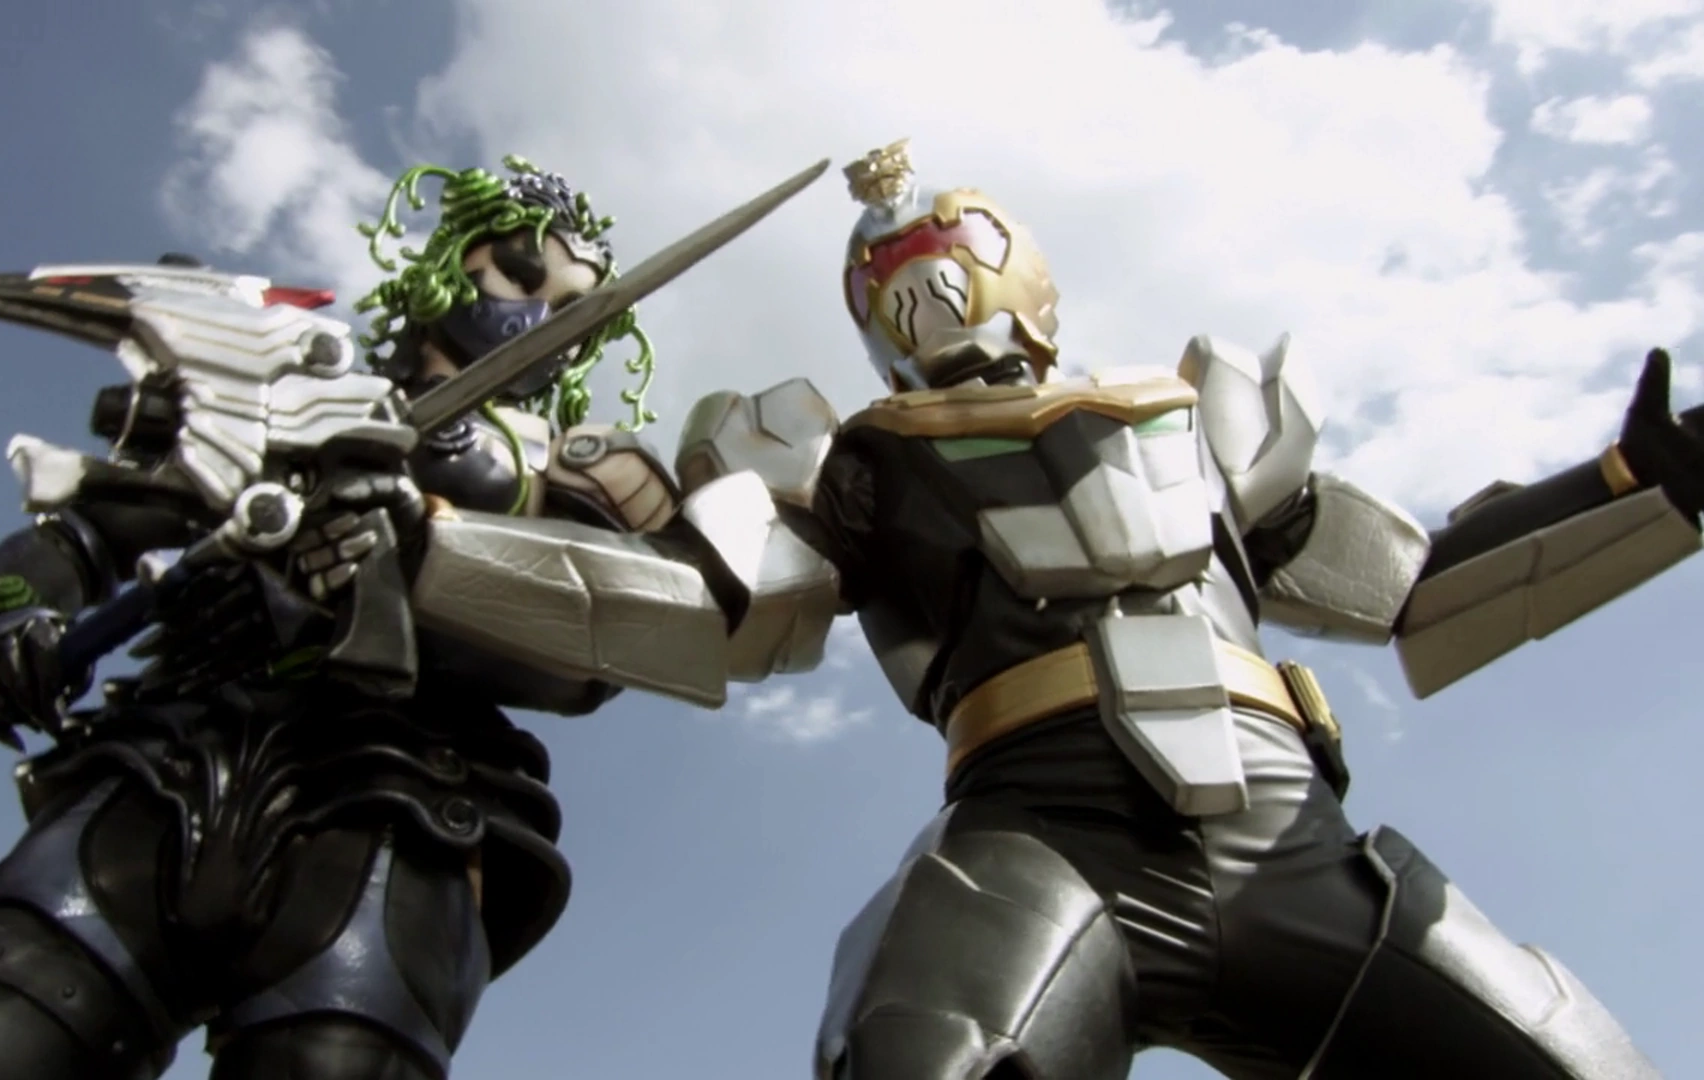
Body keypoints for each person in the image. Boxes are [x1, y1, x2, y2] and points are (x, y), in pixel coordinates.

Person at [0, 155, 835, 1080]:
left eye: (572, 305)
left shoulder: (579, 468)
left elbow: (618, 646)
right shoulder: (278, 387)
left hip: (400, 804)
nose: (542, 317)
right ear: (456, 259)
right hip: (168, 768)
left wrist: (424, 554)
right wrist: (9, 621)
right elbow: (85, 535)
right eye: (522, 277)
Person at [666, 138, 1699, 1078]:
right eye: (893, 288)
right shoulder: (860, 466)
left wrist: (1635, 482)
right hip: (1044, 830)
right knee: (929, 1057)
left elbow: (1414, 586)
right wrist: (598, 525)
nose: (930, 297)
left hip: (1285, 829)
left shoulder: (1188, 421)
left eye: (949, 264)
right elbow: (711, 595)